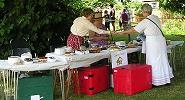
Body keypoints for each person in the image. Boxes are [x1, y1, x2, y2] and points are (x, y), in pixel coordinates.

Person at [115, 3, 173, 86]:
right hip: (160, 40)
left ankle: (156, 81)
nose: (142, 13)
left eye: (142, 11)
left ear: (145, 11)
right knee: (162, 59)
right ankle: (165, 79)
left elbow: (133, 30)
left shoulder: (146, 21)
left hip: (153, 42)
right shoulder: (155, 18)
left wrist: (121, 33)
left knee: (153, 60)